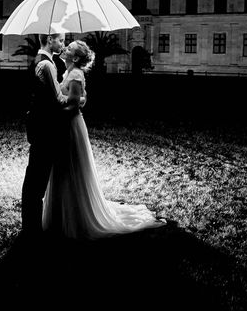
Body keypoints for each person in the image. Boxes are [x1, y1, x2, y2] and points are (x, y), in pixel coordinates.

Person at [42, 40, 166, 240]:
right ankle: (63, 213)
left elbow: (73, 105)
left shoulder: (74, 74)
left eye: (70, 48)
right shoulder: (68, 73)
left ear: (74, 58)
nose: (65, 48)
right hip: (68, 125)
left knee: (70, 167)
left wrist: (52, 116)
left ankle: (74, 216)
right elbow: (78, 98)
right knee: (63, 169)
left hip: (69, 126)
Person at [21, 33, 86, 239]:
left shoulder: (40, 61)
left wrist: (75, 98)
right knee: (37, 180)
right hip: (45, 129)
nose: (63, 44)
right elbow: (58, 100)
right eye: (61, 40)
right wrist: (79, 100)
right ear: (50, 39)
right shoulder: (47, 65)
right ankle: (32, 228)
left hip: (41, 126)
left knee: (36, 177)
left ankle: (32, 225)